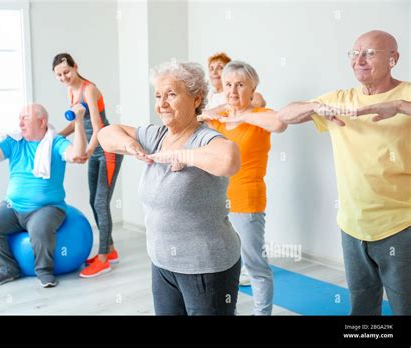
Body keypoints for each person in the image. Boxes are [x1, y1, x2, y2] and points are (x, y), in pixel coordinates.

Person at [277, 30, 411, 315]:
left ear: (393, 59)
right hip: (352, 225)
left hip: (401, 225)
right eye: (355, 53)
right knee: (361, 308)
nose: (359, 60)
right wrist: (315, 106)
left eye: (370, 53)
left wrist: (399, 106)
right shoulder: (339, 99)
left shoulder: (407, 95)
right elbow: (283, 115)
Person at [97, 61, 242, 315]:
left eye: (171, 94)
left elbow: (229, 159)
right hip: (162, 263)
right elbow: (106, 134)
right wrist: (129, 145)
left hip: (206, 267)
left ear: (196, 99)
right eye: (158, 95)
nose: (162, 103)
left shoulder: (204, 138)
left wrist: (184, 155)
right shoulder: (156, 136)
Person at [0, 103, 87, 288]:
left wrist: (78, 121)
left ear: (41, 121)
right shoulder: (14, 142)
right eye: (19, 118)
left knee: (39, 228)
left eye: (25, 118)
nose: (20, 122)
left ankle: (44, 271)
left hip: (48, 208)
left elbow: (78, 154)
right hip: (13, 207)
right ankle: (8, 269)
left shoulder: (56, 143)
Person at [199, 61, 287, 315]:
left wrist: (242, 114)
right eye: (228, 85)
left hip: (247, 202)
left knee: (255, 266)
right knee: (220, 266)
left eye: (240, 84)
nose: (233, 90)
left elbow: (280, 124)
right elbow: (194, 122)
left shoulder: (261, 118)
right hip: (215, 202)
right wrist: (214, 112)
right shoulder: (219, 120)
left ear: (253, 88)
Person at [52, 53, 123, 278]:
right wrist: (53, 136)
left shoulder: (88, 89)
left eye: (67, 72)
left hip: (108, 148)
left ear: (76, 67)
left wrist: (88, 151)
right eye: (59, 74)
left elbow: (98, 125)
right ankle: (109, 249)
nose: (64, 77)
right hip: (95, 150)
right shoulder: (70, 90)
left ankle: (103, 259)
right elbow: (77, 124)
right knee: (94, 201)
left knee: (101, 203)